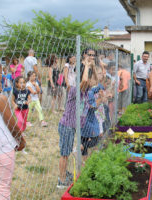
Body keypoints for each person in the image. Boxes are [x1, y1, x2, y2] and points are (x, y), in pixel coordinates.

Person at [57, 54, 93, 188]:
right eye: (86, 78)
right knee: (64, 154)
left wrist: (92, 67)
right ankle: (61, 181)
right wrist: (87, 66)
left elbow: (92, 80)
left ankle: (64, 174)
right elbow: (84, 81)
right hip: (66, 125)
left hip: (72, 126)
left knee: (66, 152)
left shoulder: (86, 92)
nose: (88, 82)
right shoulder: (74, 90)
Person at [0, 57, 26, 200]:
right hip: (2, 150)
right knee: (2, 189)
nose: (1, 76)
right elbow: (12, 125)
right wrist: (21, 140)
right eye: (0, 72)